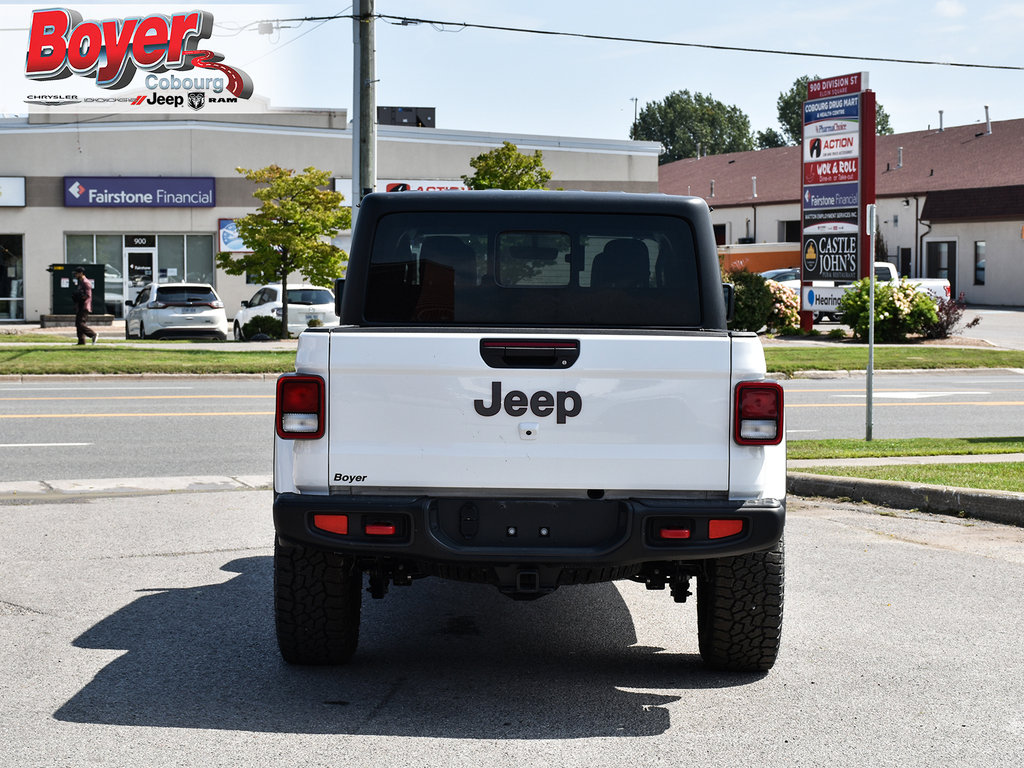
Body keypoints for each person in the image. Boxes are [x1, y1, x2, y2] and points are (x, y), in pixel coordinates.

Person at [71, 267, 98, 345]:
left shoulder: (86, 282)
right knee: (79, 324)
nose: (75, 275)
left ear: (81, 273)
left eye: (76, 273)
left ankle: (93, 334)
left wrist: (80, 297)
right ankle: (81, 342)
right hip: (80, 306)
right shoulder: (81, 282)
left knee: (80, 324)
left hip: (84, 306)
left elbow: (87, 295)